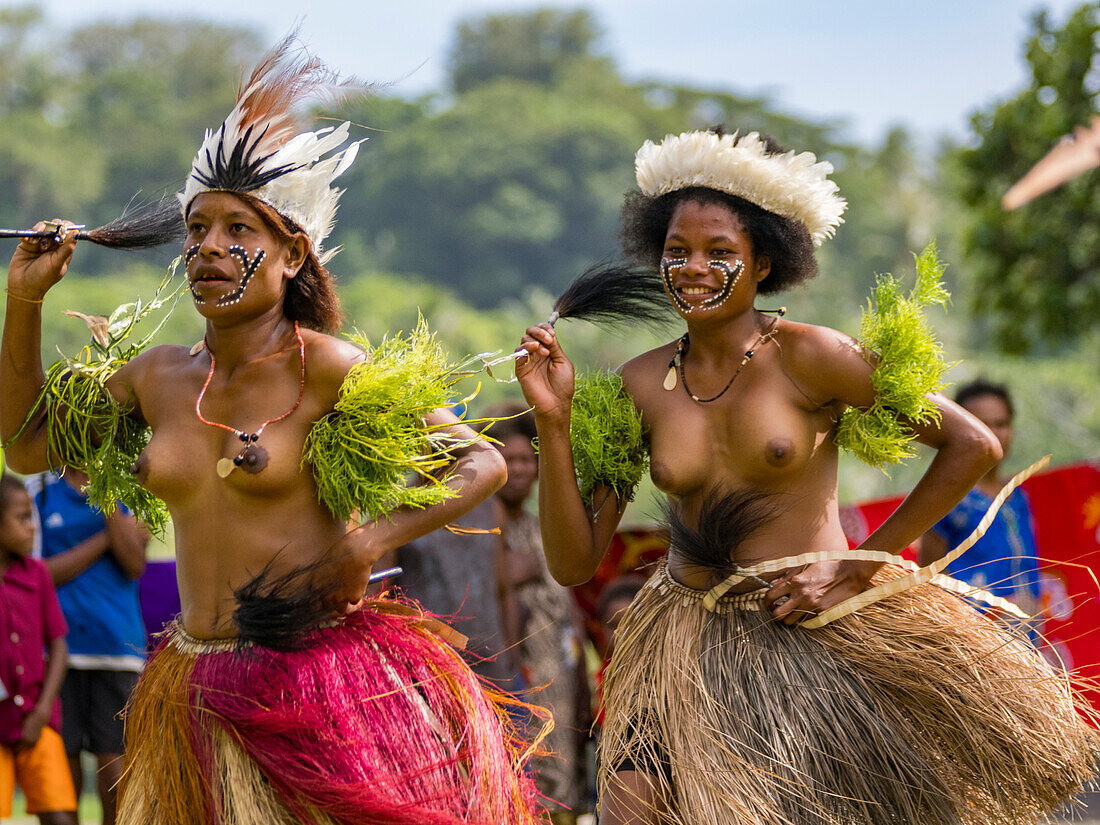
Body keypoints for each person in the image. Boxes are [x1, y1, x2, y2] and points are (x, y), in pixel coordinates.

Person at [1, 38, 542, 825]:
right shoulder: (157, 378)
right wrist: (25, 306)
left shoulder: (330, 369)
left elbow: (483, 462)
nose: (209, 249)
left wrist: (363, 545)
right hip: (193, 685)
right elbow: (26, 445)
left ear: (293, 254)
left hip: (314, 683)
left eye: (238, 231)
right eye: (197, 229)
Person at [516, 129, 1097, 825]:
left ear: (764, 262)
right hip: (683, 646)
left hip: (805, 634)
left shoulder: (812, 356)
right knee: (629, 810)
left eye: (719, 252)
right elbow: (573, 560)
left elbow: (968, 443)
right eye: (677, 251)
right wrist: (552, 422)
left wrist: (861, 564)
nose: (693, 268)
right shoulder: (639, 384)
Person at [25, 467, 148, 825]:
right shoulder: (40, 489)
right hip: (56, 654)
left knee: (115, 773)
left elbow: (134, 563)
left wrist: (108, 495)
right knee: (63, 771)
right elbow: (37, 575)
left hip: (117, 650)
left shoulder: (129, 483)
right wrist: (103, 541)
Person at [486, 401, 590, 822]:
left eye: (528, 459)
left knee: (562, 784)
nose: (521, 469)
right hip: (512, 678)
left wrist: (582, 680)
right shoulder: (478, 530)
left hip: (559, 682)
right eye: (508, 460)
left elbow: (570, 611)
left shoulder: (546, 528)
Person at [919, 380, 1042, 615]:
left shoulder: (1018, 496)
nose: (994, 433)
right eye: (982, 424)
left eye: (1002, 423)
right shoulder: (947, 497)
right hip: (972, 638)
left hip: (1024, 640)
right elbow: (930, 578)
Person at [0, 474, 78, 825]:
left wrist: (44, 709)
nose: (34, 527)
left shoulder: (38, 575)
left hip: (36, 719)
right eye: (22, 518)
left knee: (60, 815)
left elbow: (58, 646)